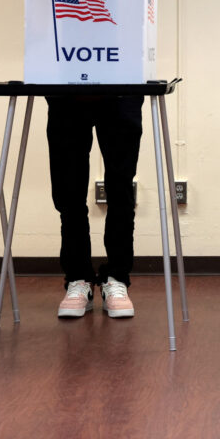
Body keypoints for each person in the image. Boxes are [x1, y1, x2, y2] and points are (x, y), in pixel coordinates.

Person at [47, 95, 143, 319]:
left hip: (121, 89)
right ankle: (78, 278)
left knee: (121, 188)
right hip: (66, 90)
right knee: (68, 191)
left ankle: (117, 278)